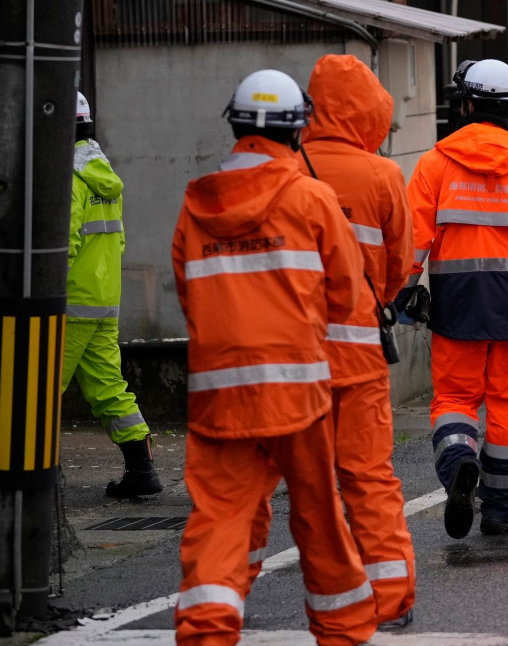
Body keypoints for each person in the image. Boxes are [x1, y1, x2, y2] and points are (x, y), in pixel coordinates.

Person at [171, 70, 375, 646]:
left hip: (219, 395)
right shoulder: (309, 197)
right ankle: (343, 632)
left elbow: (188, 293)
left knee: (219, 517)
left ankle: (207, 631)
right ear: (296, 131)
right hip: (298, 388)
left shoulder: (197, 201)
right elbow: (346, 293)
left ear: (235, 123)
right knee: (317, 516)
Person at [242, 55, 415, 629]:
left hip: (288, 356)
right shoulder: (384, 175)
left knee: (260, 481)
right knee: (366, 475)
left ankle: (228, 590)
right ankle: (389, 599)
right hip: (359, 353)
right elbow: (397, 268)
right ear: (371, 110)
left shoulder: (284, 171)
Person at [398, 59, 508, 538]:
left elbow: (414, 240)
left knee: (454, 398)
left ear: (467, 104)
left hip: (456, 303)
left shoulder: (436, 162)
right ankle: (499, 510)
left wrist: (402, 292)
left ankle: (457, 466)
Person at [64, 93, 161, 498]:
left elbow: (59, 246)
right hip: (104, 302)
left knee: (28, 389)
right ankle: (142, 472)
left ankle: (24, 476)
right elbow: (116, 242)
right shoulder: (103, 174)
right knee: (109, 387)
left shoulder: (65, 179)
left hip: (66, 306)